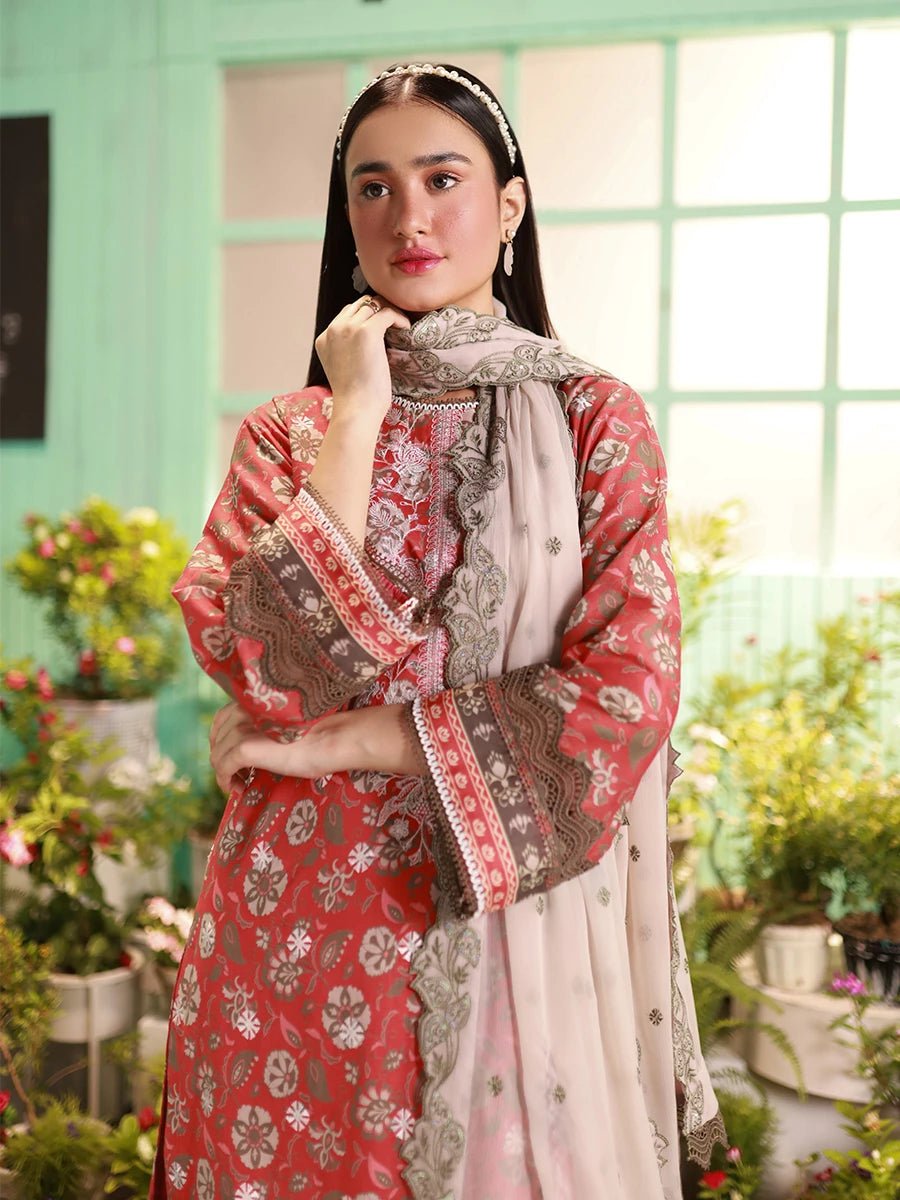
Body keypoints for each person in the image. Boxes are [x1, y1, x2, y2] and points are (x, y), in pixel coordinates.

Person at [150, 62, 726, 1200]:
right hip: (282, 934)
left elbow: (624, 692)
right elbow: (268, 667)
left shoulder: (593, 421)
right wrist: (357, 413)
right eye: (373, 187)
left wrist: (347, 742)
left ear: (509, 207)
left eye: (442, 179)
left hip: (498, 925)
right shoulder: (291, 433)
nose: (406, 217)